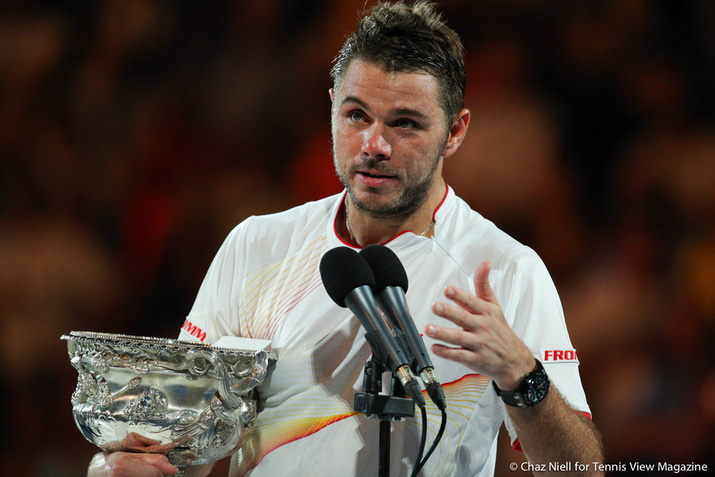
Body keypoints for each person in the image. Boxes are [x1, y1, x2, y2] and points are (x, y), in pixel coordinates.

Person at [88, 1, 604, 476]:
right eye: (357, 115)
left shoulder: (506, 271)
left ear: (456, 131)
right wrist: (124, 467)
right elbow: (183, 452)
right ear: (332, 106)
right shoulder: (255, 246)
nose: (374, 145)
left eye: (405, 124)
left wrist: (521, 374)